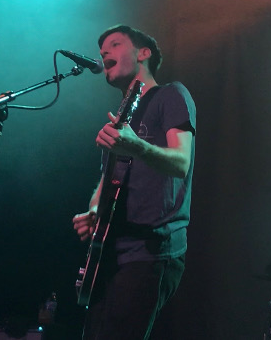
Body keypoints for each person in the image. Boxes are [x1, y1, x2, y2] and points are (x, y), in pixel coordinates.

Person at [72, 25, 196, 340]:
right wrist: (94, 213)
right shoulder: (120, 120)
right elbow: (107, 182)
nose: (104, 54)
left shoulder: (171, 94)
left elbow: (181, 162)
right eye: (101, 52)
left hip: (150, 250)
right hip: (109, 254)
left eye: (114, 45)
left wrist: (136, 146)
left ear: (144, 53)